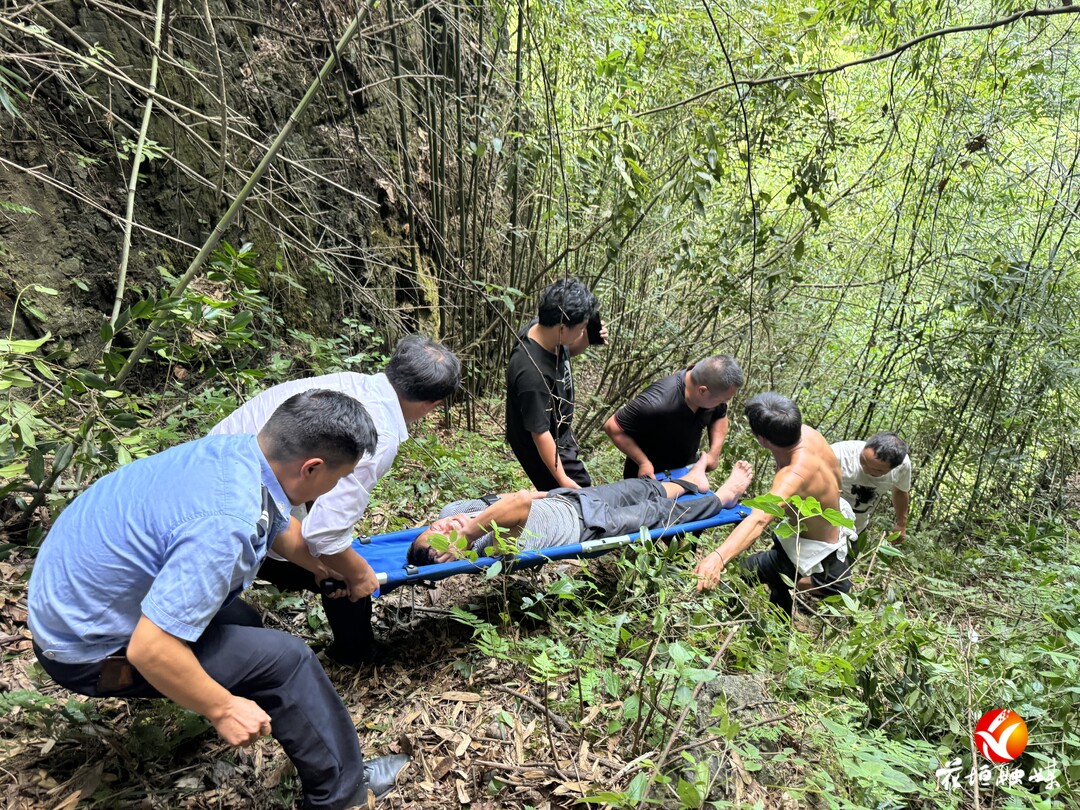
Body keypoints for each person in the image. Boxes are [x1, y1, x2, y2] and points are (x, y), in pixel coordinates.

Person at [28, 390, 409, 809]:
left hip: (71, 605)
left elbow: (277, 523)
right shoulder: (227, 523)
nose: (338, 487)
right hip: (88, 652)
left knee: (243, 621)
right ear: (312, 467)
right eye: (339, 478)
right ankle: (344, 795)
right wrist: (222, 707)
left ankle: (284, 718)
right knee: (285, 660)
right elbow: (150, 649)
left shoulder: (239, 453)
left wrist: (323, 567)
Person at [210, 336, 461, 665]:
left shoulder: (353, 385)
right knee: (343, 572)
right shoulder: (378, 435)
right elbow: (325, 535)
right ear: (432, 405)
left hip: (227, 467)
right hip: (233, 504)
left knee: (333, 561)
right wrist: (355, 573)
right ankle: (356, 651)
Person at [407, 454, 754, 565]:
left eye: (435, 528)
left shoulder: (453, 509)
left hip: (569, 499)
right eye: (444, 537)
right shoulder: (486, 550)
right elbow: (517, 503)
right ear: (452, 553)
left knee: (644, 486)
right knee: (658, 514)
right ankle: (722, 498)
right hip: (588, 526)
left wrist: (555, 491)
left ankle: (695, 482)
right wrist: (467, 534)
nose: (446, 525)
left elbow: (517, 494)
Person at [694, 393, 856, 618]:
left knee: (742, 573)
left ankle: (728, 619)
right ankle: (780, 619)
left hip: (812, 551)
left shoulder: (794, 475)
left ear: (762, 439)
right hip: (824, 530)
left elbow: (759, 519)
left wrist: (717, 558)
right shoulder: (808, 434)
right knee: (779, 584)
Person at [505, 278, 599, 490]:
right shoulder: (531, 373)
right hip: (545, 444)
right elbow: (540, 433)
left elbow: (568, 353)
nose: (583, 331)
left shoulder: (546, 332)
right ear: (563, 328)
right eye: (582, 328)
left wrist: (587, 338)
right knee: (579, 496)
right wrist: (563, 479)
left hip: (559, 429)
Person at [604, 356, 744, 480]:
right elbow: (613, 427)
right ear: (702, 390)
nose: (723, 404)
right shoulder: (656, 402)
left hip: (686, 472)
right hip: (649, 477)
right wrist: (643, 462)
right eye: (722, 400)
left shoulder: (713, 392)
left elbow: (720, 416)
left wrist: (714, 453)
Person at [831, 432, 911, 543]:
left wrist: (901, 524)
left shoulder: (902, 466)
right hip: (824, 523)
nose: (866, 469)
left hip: (856, 529)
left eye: (877, 470)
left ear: (893, 468)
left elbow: (900, 492)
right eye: (863, 460)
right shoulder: (839, 454)